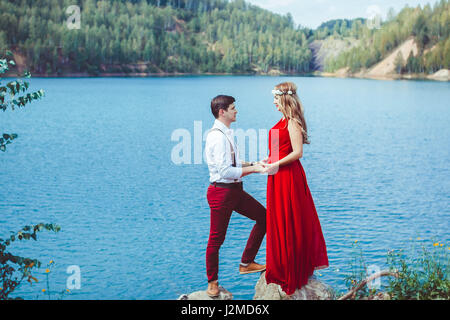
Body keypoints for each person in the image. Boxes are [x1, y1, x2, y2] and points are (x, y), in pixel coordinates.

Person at [260, 82, 329, 296]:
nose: (273, 102)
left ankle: (293, 270)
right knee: (279, 220)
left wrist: (277, 163)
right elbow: (279, 151)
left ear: (284, 99)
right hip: (277, 177)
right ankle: (281, 266)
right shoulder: (280, 122)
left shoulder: (292, 123)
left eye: (275, 98)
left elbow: (298, 152)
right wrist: (268, 160)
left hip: (289, 178)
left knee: (291, 220)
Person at [204, 95, 267, 297]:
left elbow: (234, 163)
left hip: (234, 191)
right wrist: (255, 170)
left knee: (265, 217)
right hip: (221, 192)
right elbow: (225, 172)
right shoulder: (217, 136)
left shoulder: (226, 133)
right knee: (216, 239)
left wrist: (255, 163)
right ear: (222, 112)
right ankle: (212, 282)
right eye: (233, 108)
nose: (236, 111)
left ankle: (246, 263)